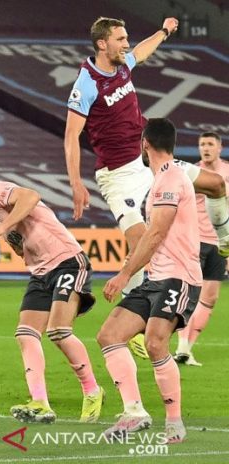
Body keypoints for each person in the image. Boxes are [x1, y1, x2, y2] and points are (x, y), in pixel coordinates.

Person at [64, 16, 228, 357]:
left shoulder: (123, 64)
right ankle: (135, 313)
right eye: (120, 39)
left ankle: (225, 241)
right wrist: (76, 182)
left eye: (126, 38)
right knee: (142, 242)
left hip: (150, 160)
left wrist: (165, 31)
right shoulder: (87, 83)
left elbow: (142, 51)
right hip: (118, 174)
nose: (126, 43)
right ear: (102, 44)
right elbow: (70, 137)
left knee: (216, 184)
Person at [0, 152, 104, 423]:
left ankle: (92, 390)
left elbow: (31, 196)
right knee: (25, 333)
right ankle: (40, 403)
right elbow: (23, 243)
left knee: (58, 331)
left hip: (67, 262)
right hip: (40, 271)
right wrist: (12, 241)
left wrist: (2, 229)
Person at [99, 118, 201, 443]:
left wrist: (125, 273)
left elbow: (156, 233)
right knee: (109, 335)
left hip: (179, 276)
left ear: (145, 143)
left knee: (156, 341)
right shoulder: (158, 179)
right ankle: (134, 413)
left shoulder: (171, 178)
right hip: (156, 277)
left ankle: (174, 424)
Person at [175, 132, 229, 366]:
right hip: (194, 240)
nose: (205, 148)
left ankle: (187, 349)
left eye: (209, 144)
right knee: (188, 294)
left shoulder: (226, 173)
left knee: (210, 297)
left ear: (220, 148)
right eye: (201, 145)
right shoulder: (191, 173)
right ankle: (181, 347)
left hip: (219, 243)